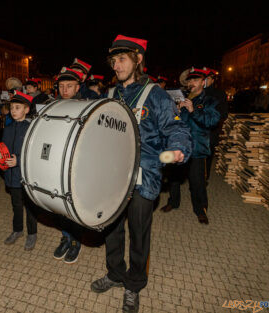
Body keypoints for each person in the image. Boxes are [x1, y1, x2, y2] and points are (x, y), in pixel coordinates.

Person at [90, 35, 192, 313]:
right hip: (112, 176)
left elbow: (177, 128)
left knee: (138, 233)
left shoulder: (155, 94)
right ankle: (115, 273)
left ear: (138, 60)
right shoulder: (110, 95)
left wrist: (178, 149)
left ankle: (134, 284)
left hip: (143, 176)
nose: (116, 65)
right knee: (110, 228)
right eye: (113, 60)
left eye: (121, 59)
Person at [161, 67, 220, 225]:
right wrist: (176, 111)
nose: (191, 83)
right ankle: (173, 202)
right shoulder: (182, 98)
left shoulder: (210, 101)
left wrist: (193, 111)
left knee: (197, 182)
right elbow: (173, 121)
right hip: (179, 145)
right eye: (189, 80)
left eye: (195, 80)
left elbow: (211, 121)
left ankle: (201, 210)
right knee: (174, 177)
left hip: (197, 148)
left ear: (203, 82)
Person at [51, 66, 86, 264]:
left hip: (76, 162)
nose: (65, 90)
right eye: (61, 86)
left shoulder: (86, 105)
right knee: (58, 202)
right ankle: (65, 237)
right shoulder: (53, 105)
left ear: (77, 87)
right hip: (56, 160)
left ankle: (76, 241)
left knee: (72, 204)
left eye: (69, 86)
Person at [0, 91, 38, 250]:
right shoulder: (7, 128)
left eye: (17, 107)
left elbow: (34, 152)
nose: (13, 111)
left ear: (26, 110)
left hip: (26, 175)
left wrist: (19, 160)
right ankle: (17, 230)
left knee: (30, 207)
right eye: (12, 107)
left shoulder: (31, 128)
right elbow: (4, 147)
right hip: (11, 175)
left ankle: (32, 233)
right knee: (16, 205)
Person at [203, 68, 228, 179]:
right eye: (202, 79)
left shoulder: (219, 94)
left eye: (207, 78)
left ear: (213, 80)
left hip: (210, 131)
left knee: (207, 157)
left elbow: (224, 113)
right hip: (197, 130)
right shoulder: (196, 93)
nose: (204, 81)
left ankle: (205, 178)